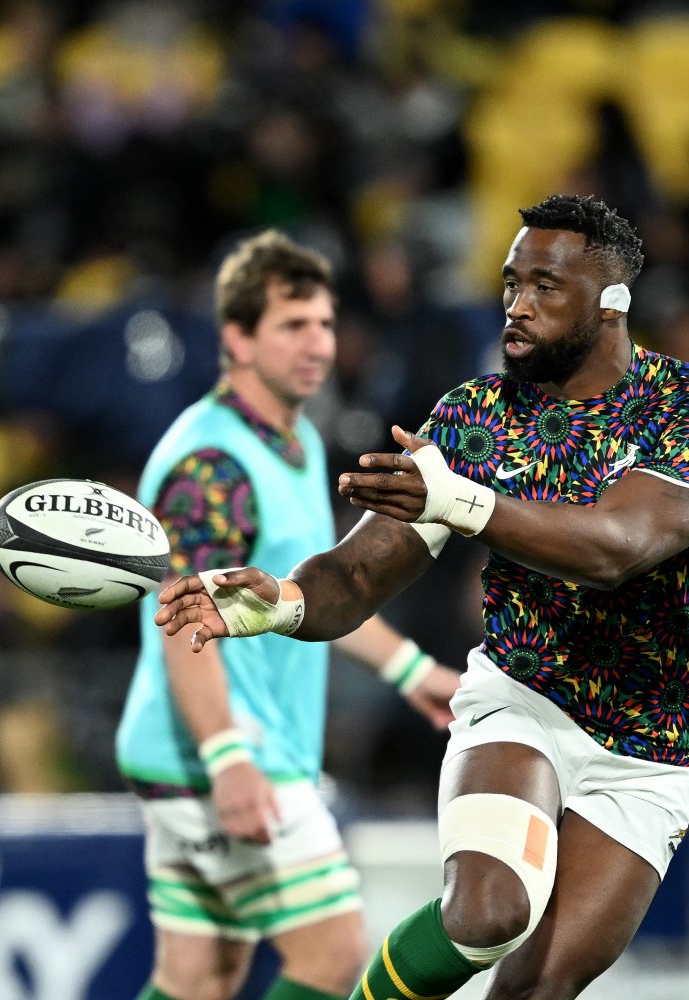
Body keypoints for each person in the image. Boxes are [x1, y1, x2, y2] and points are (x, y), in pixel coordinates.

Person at [155, 194, 689, 1000]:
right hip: (523, 699)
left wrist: (462, 502)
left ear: (611, 304)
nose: (518, 305)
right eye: (511, 283)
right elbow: (358, 574)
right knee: (487, 914)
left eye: (545, 287)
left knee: (536, 989)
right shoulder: (476, 418)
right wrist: (283, 602)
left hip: (653, 743)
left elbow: (619, 548)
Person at [115, 230, 462, 1000]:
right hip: (223, 750)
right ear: (238, 339)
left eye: (325, 323)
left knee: (199, 978)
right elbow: (184, 621)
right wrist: (227, 758)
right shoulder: (213, 464)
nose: (318, 344)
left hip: (201, 751)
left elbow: (308, 597)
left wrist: (412, 671)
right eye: (292, 325)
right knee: (333, 954)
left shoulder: (294, 438)